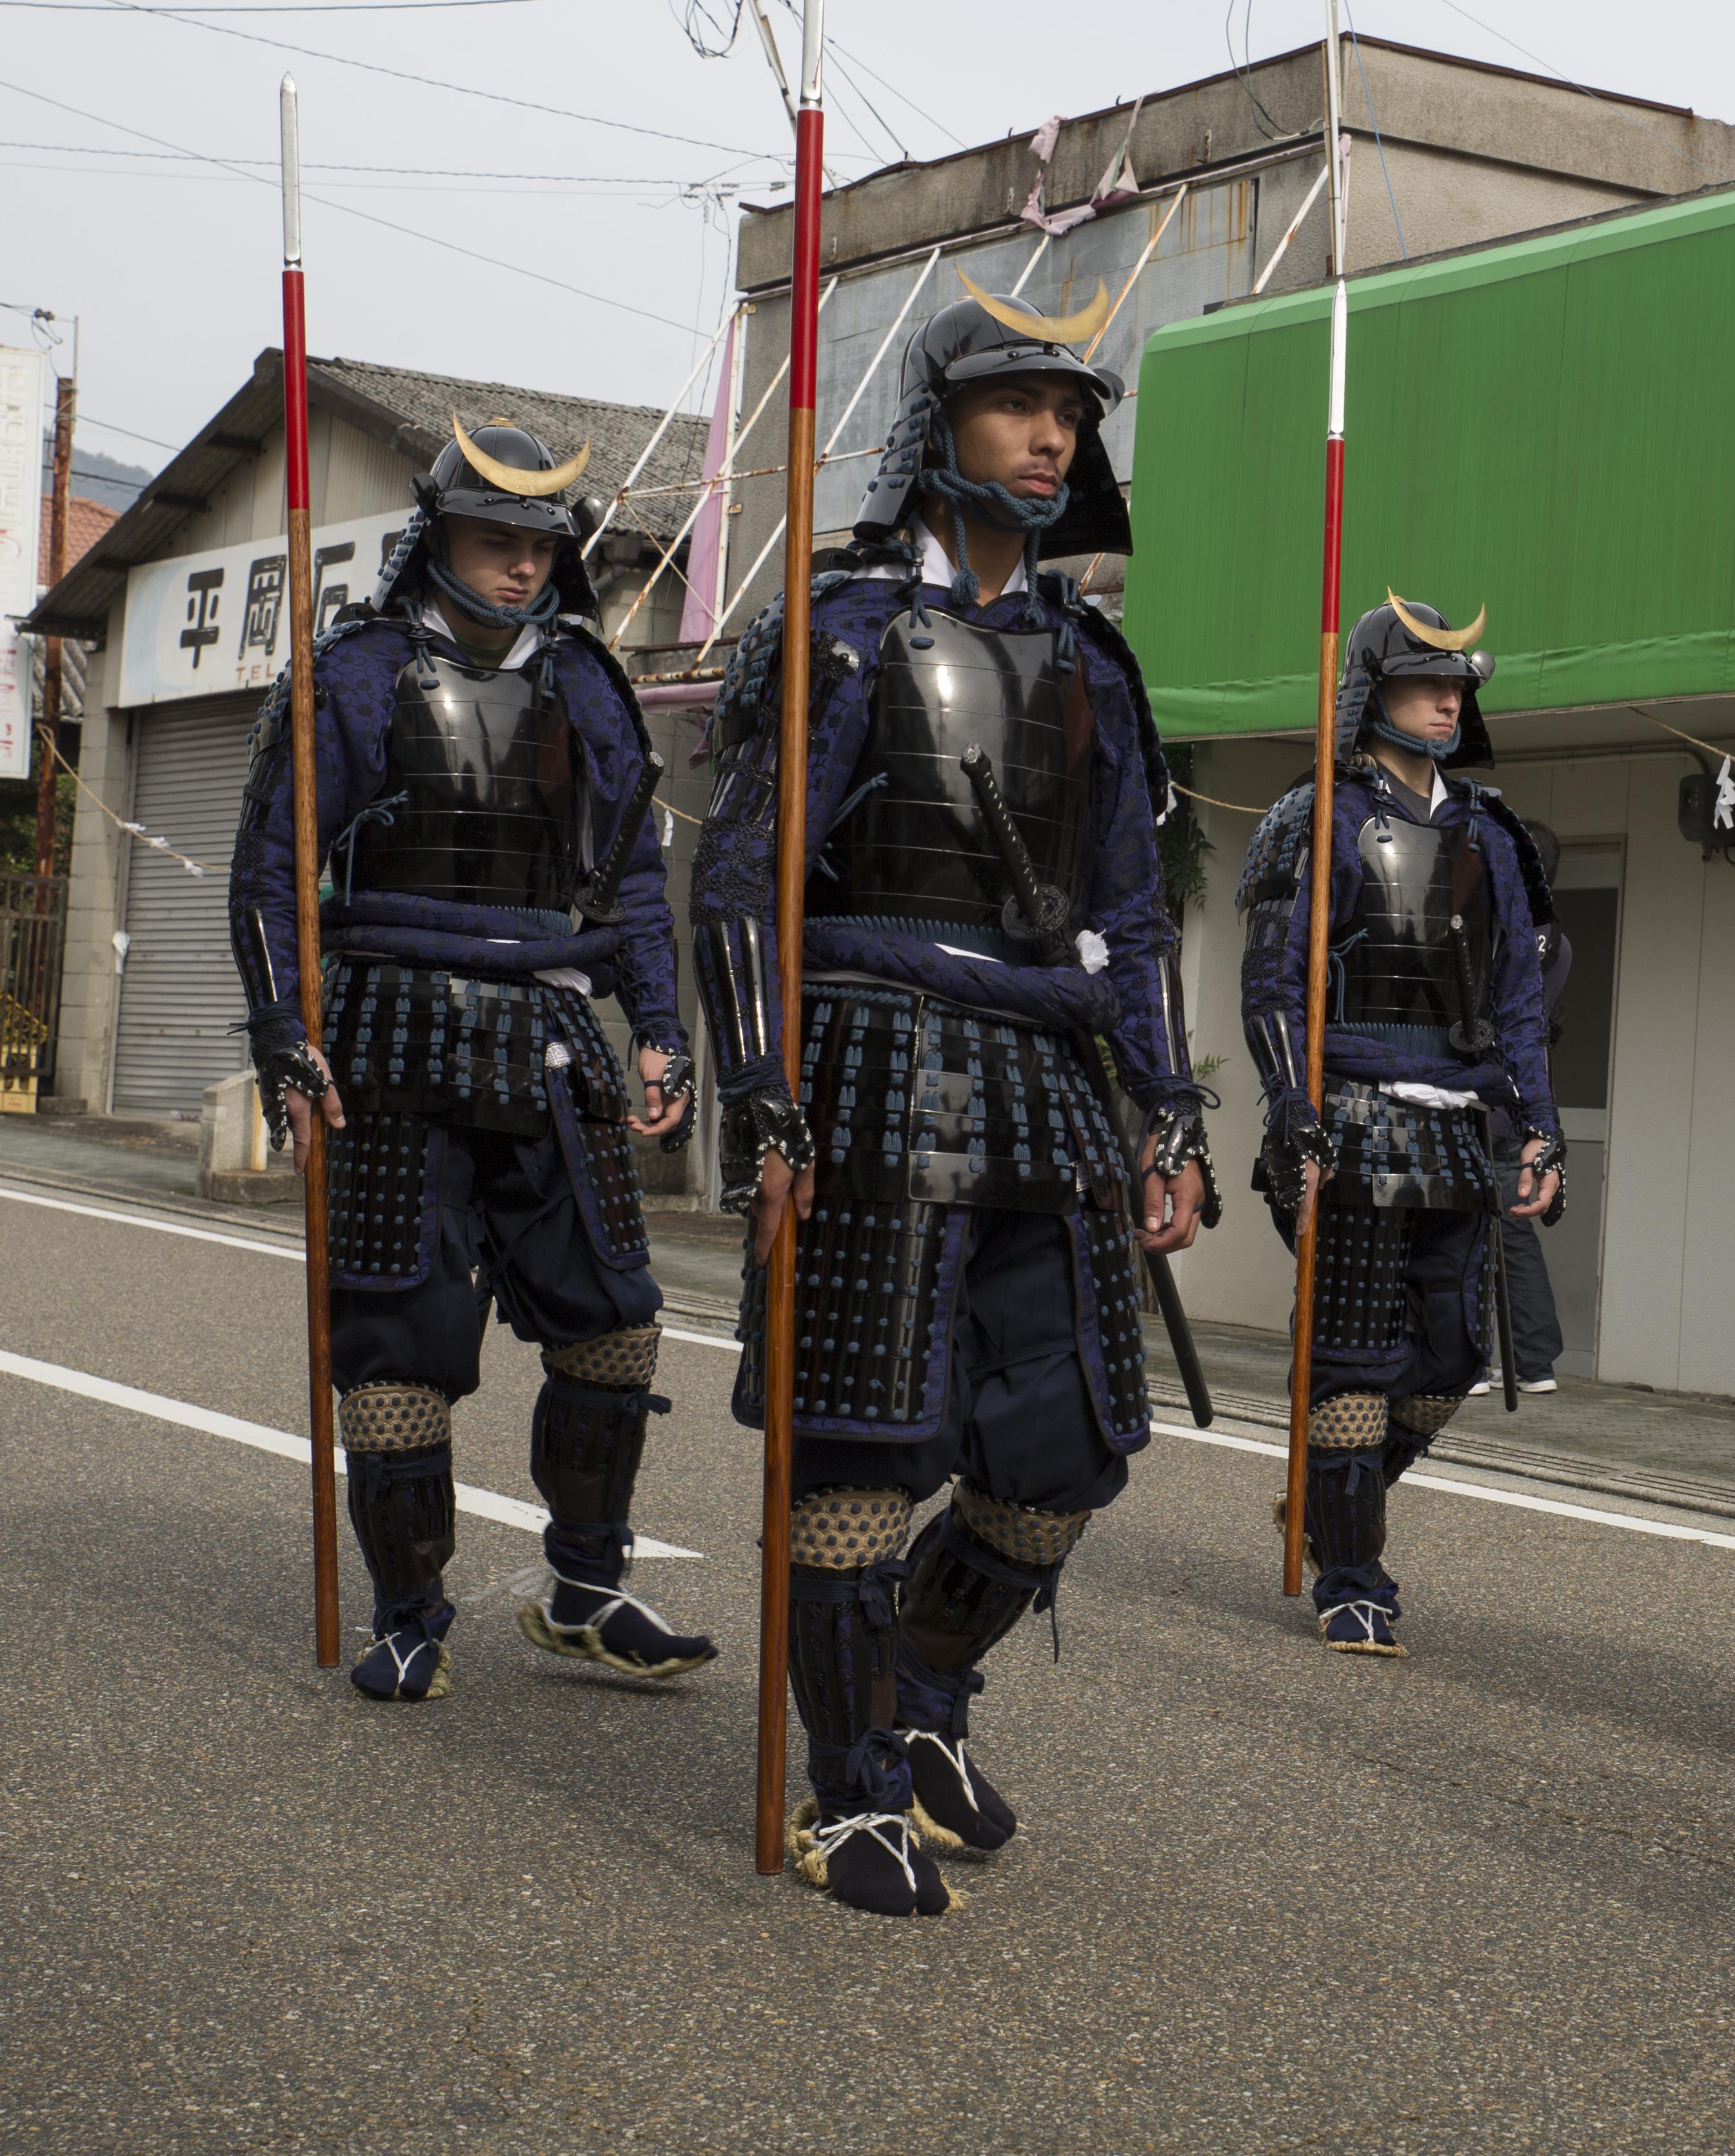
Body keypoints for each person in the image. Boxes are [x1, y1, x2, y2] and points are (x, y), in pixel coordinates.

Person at [691, 281, 1213, 1918]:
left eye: (1072, 413)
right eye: (1017, 405)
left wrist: (1168, 1110)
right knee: (860, 1454)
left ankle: (916, 1691)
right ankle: (846, 1794)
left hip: (1046, 1081)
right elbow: (739, 878)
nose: (1053, 435)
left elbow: (1131, 906)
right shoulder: (840, 632)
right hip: (871, 1057)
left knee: (1063, 1455)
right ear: (939, 428)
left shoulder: (1091, 664)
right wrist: (765, 1104)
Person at [232, 419, 704, 1706]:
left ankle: (587, 1589)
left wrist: (658, 1024)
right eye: (494, 536)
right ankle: (407, 1611)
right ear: (436, 534)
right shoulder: (356, 674)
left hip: (555, 1039)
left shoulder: (594, 687)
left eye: (541, 542)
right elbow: (274, 873)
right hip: (390, 1038)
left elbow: (633, 887)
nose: (519, 563)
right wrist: (286, 1032)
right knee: (396, 1354)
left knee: (616, 1328)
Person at [1235, 595, 1562, 1656]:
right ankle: (1351, 1571)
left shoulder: (1491, 834)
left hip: (1462, 1129)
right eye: (1426, 682)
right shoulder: (1316, 815)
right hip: (1354, 1116)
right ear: (1372, 692)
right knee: (1353, 1357)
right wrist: (1294, 1107)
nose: (1447, 700)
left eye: (1459, 684)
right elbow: (1275, 979)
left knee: (1452, 1353)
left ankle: (1335, 1501)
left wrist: (1541, 1128)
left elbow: (1517, 994)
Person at [1480, 817, 1570, 1395]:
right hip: (1524, 1105)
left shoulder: (1489, 933)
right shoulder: (1557, 943)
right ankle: (1534, 1362)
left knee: (1461, 1231)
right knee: (1514, 1234)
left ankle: (1470, 1360)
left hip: (1472, 1097)